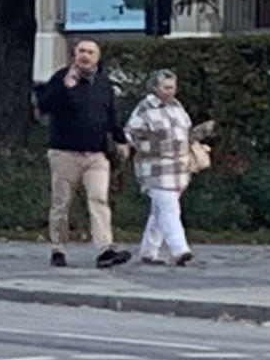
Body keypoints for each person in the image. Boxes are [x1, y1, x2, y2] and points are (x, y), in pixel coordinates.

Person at [33, 38, 130, 269]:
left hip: (96, 154)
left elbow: (111, 115)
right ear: (74, 55)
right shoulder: (61, 78)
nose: (85, 56)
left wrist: (120, 140)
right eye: (81, 51)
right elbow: (43, 106)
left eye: (90, 52)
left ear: (98, 57)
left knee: (99, 199)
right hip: (65, 152)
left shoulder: (104, 83)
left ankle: (104, 249)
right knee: (61, 202)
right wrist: (65, 87)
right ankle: (58, 248)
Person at [125, 67, 213, 268]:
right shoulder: (144, 108)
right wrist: (152, 147)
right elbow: (130, 135)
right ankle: (180, 250)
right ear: (155, 87)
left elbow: (186, 134)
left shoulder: (176, 106)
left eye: (172, 87)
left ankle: (149, 251)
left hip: (178, 168)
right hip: (155, 167)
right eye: (166, 87)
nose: (170, 91)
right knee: (170, 209)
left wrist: (201, 132)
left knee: (160, 211)